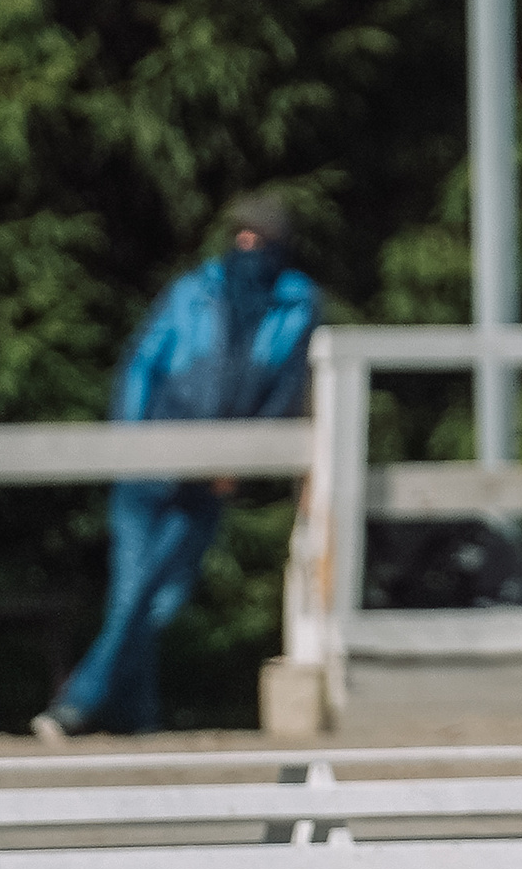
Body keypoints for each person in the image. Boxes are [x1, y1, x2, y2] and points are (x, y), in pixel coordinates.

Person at [32, 196, 319, 740]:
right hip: (151, 460)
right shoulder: (194, 291)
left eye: (259, 239)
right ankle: (82, 706)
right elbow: (143, 364)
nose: (247, 247)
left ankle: (125, 715)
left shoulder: (295, 305)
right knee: (135, 592)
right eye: (242, 236)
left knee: (163, 597)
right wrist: (132, 443)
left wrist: (241, 459)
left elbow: (283, 392)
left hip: (213, 470)